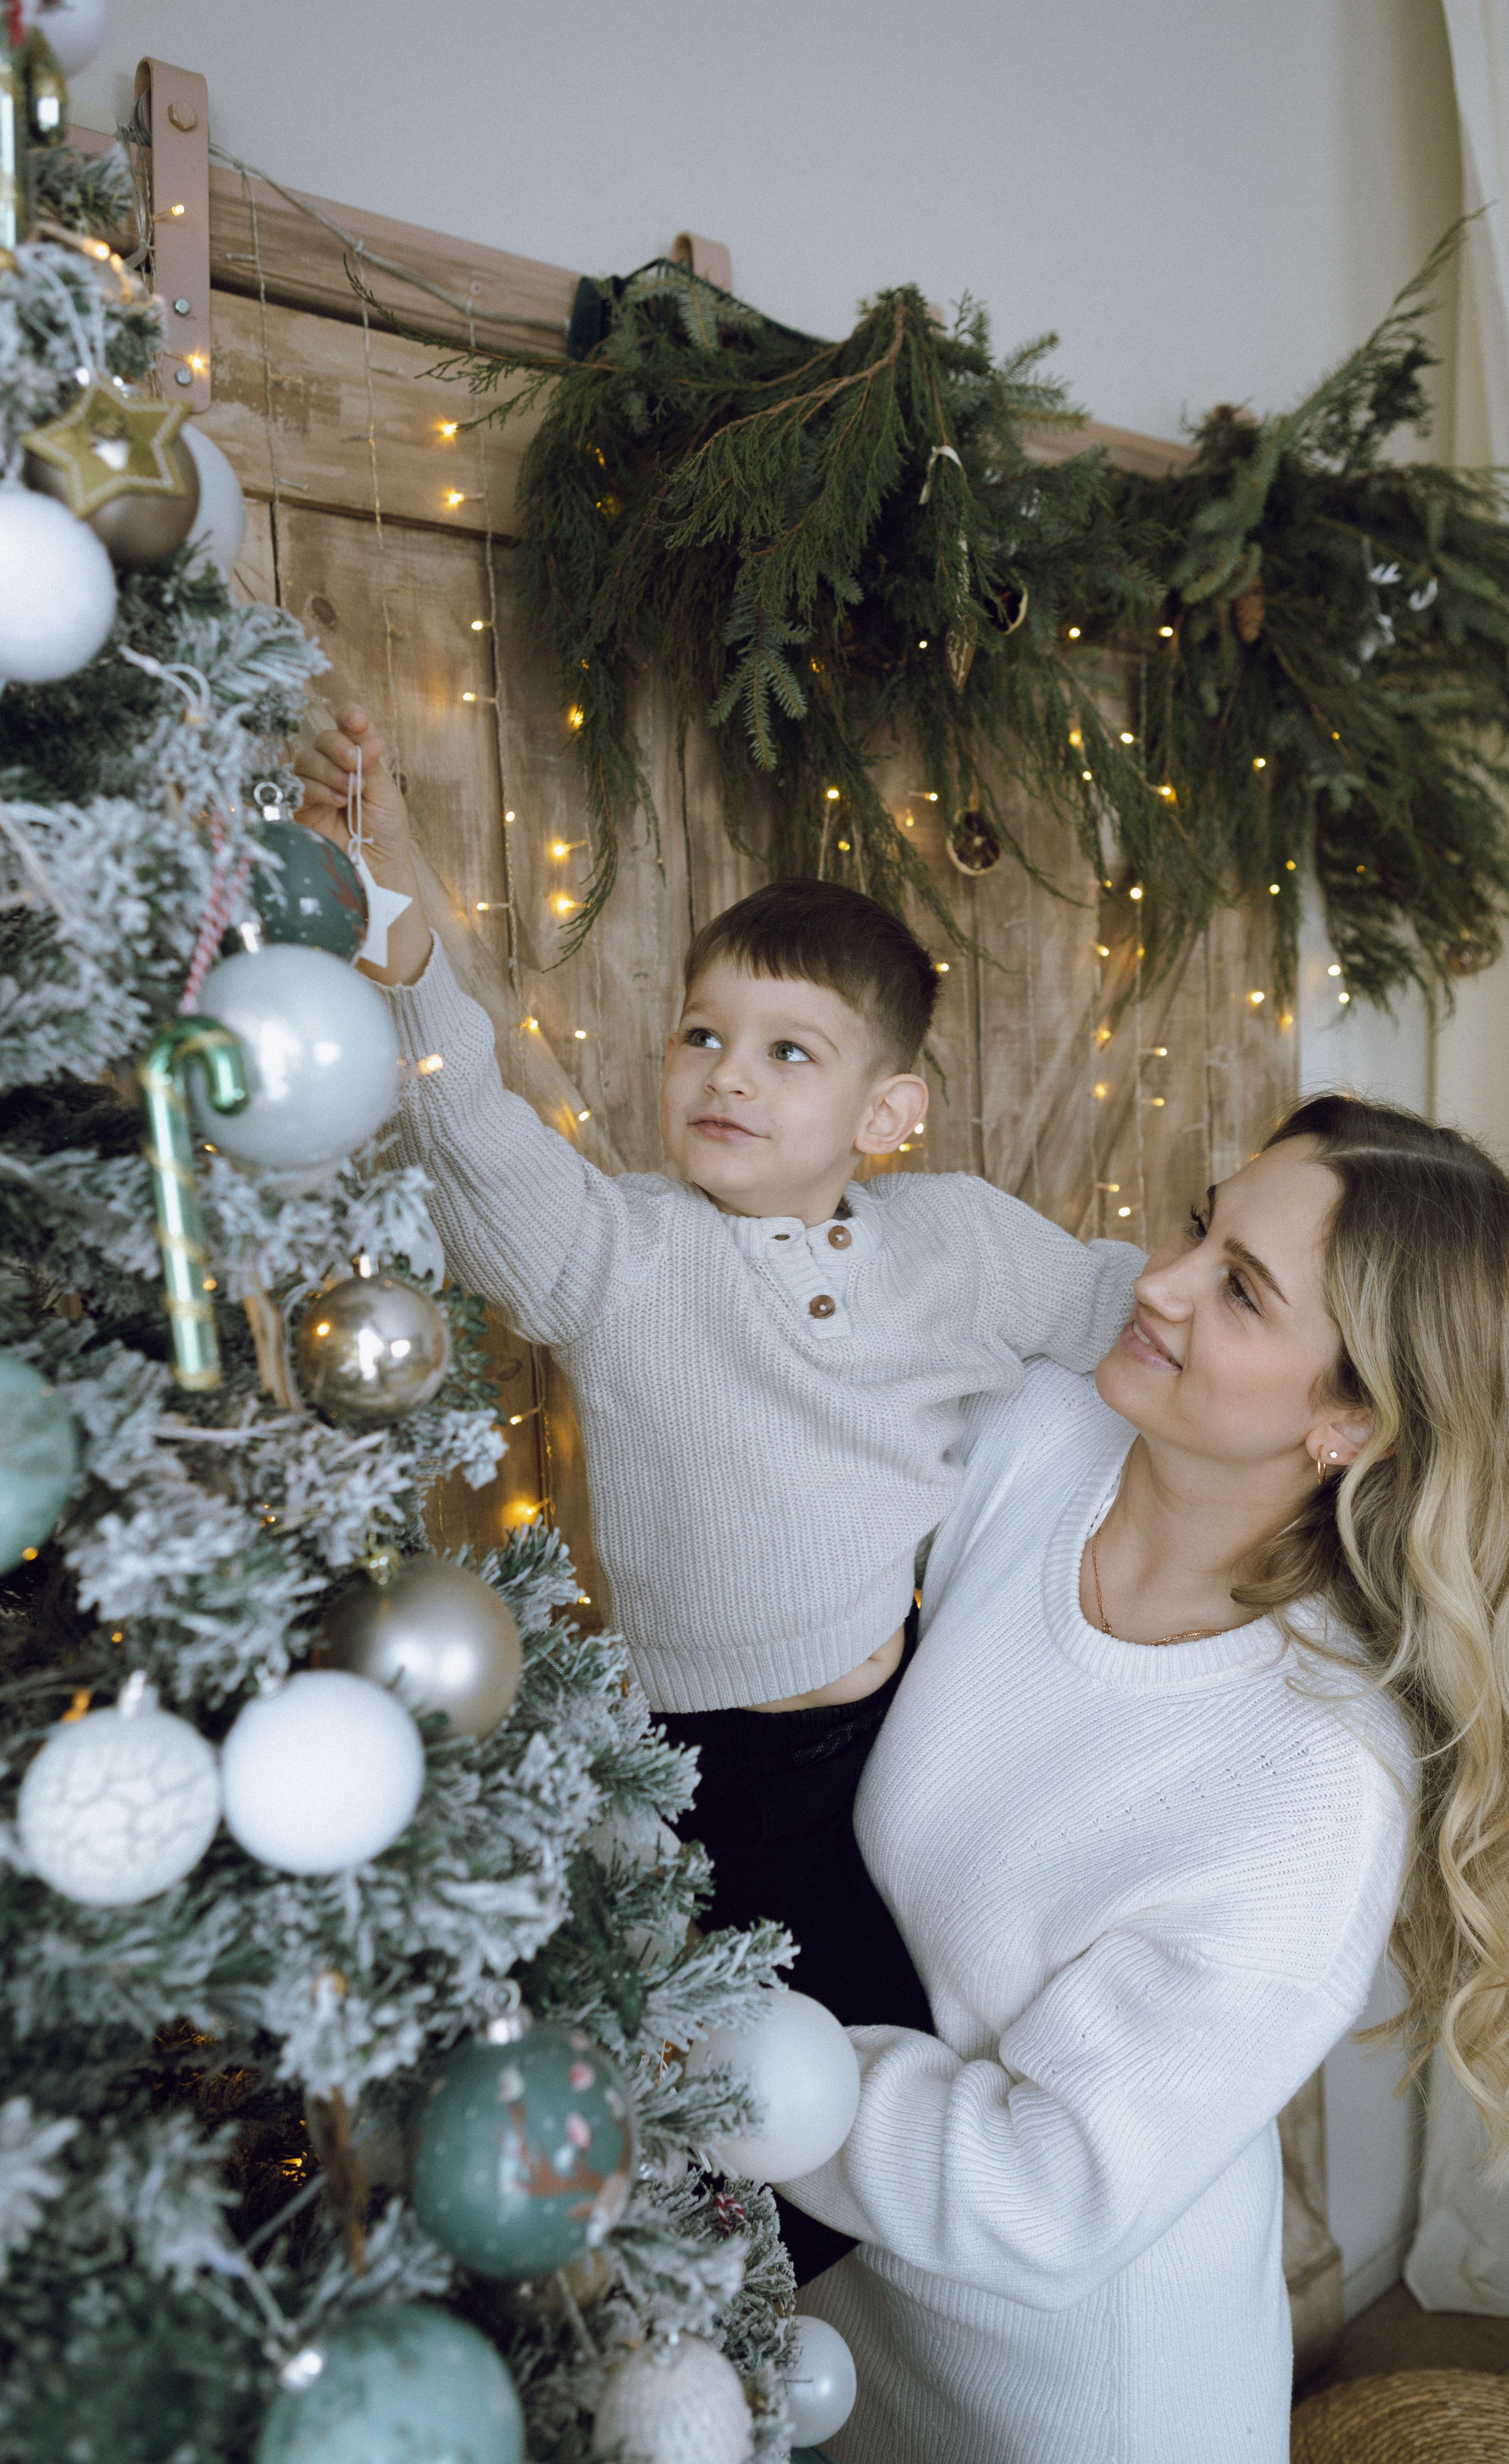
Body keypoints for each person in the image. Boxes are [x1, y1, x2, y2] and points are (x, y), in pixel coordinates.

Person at [289, 710, 1138, 2059]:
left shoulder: (958, 1241)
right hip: (709, 1763)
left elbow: (1124, 1306)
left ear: (884, 1116)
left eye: (786, 1051)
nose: (725, 1074)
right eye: (701, 1035)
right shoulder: (617, 1253)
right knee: (750, 2066)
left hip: (906, 1729)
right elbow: (461, 1119)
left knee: (935, 2025)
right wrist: (381, 872)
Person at [779, 1098, 1509, 2464]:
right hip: (839, 2316)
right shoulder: (1032, 1439)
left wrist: (713, 2059)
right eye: (1198, 1225)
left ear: (1350, 1421)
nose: (1151, 1280)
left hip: (1070, 2406)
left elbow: (1041, 2196)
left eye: (1238, 1291)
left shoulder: (1311, 1785)